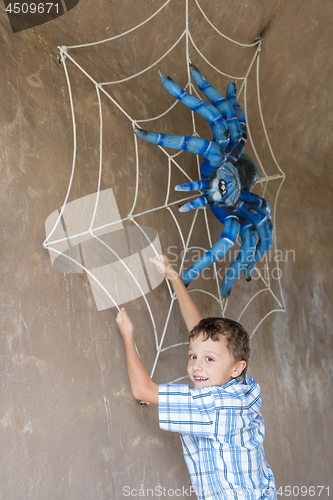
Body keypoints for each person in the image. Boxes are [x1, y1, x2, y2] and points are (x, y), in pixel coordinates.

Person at [116, 255, 276, 500]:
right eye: (192, 356)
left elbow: (142, 390)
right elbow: (202, 333)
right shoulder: (244, 387)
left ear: (236, 367)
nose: (197, 367)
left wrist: (127, 335)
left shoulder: (212, 406)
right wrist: (173, 277)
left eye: (209, 360)